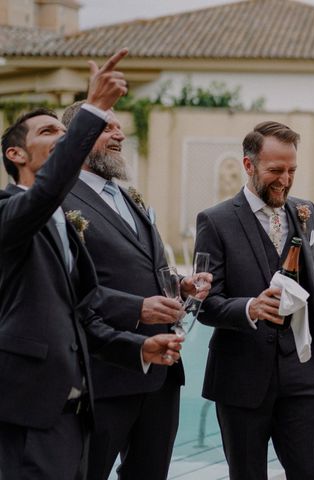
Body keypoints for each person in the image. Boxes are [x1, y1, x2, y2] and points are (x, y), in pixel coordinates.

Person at [0, 49, 183, 479]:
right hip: (28, 408)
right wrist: (96, 107)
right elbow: (45, 192)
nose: (63, 136)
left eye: (68, 131)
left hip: (76, 406)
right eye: (50, 131)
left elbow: (84, 306)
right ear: (16, 155)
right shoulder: (8, 211)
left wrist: (138, 345)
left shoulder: (60, 222)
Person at [194, 121, 314, 479]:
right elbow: (205, 305)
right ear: (249, 165)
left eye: (292, 171)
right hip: (241, 379)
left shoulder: (305, 212)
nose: (285, 180)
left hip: (302, 374)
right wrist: (249, 308)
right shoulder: (215, 221)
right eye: (275, 170)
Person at [59, 101, 212, 480]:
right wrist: (135, 309)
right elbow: (67, 288)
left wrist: (182, 287)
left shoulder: (129, 197)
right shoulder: (60, 201)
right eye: (108, 129)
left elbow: (147, 270)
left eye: (119, 128)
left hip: (161, 374)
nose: (120, 135)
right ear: (79, 137)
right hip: (105, 372)